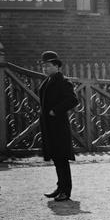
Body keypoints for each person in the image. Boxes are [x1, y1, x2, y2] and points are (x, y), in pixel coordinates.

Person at [38, 51, 80, 202]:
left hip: (59, 126)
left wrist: (55, 110)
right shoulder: (48, 81)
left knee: (62, 159)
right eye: (44, 66)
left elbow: (72, 100)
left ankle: (66, 191)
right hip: (49, 126)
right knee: (56, 158)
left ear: (57, 66)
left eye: (48, 66)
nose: (45, 69)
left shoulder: (63, 81)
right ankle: (60, 187)